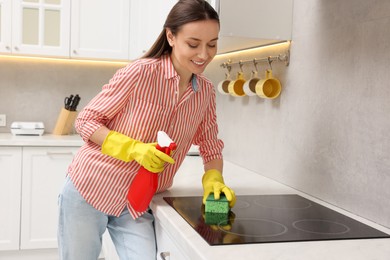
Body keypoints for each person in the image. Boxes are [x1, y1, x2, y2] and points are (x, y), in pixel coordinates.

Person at [57, 0, 236, 259]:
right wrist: (133, 149)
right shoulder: (141, 73)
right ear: (171, 36)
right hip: (90, 188)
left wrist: (214, 179)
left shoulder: (205, 92)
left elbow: (210, 144)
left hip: (137, 205)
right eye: (193, 44)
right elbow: (85, 121)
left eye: (212, 44)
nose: (204, 54)